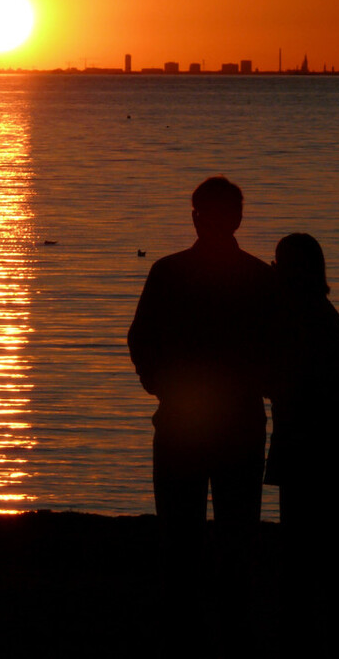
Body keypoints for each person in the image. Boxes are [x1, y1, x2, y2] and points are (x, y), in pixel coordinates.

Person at [127, 176, 276, 646]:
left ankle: (188, 627)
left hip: (191, 421)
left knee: (184, 534)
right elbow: (277, 348)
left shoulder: (171, 273)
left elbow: (140, 339)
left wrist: (161, 387)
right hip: (229, 421)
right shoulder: (256, 278)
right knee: (230, 533)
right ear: (237, 217)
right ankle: (226, 627)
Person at [264, 232, 339, 648]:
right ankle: (327, 623)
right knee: (324, 535)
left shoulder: (299, 314)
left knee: (302, 538)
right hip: (325, 439)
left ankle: (304, 626)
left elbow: (286, 379)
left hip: (306, 438)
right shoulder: (320, 312)